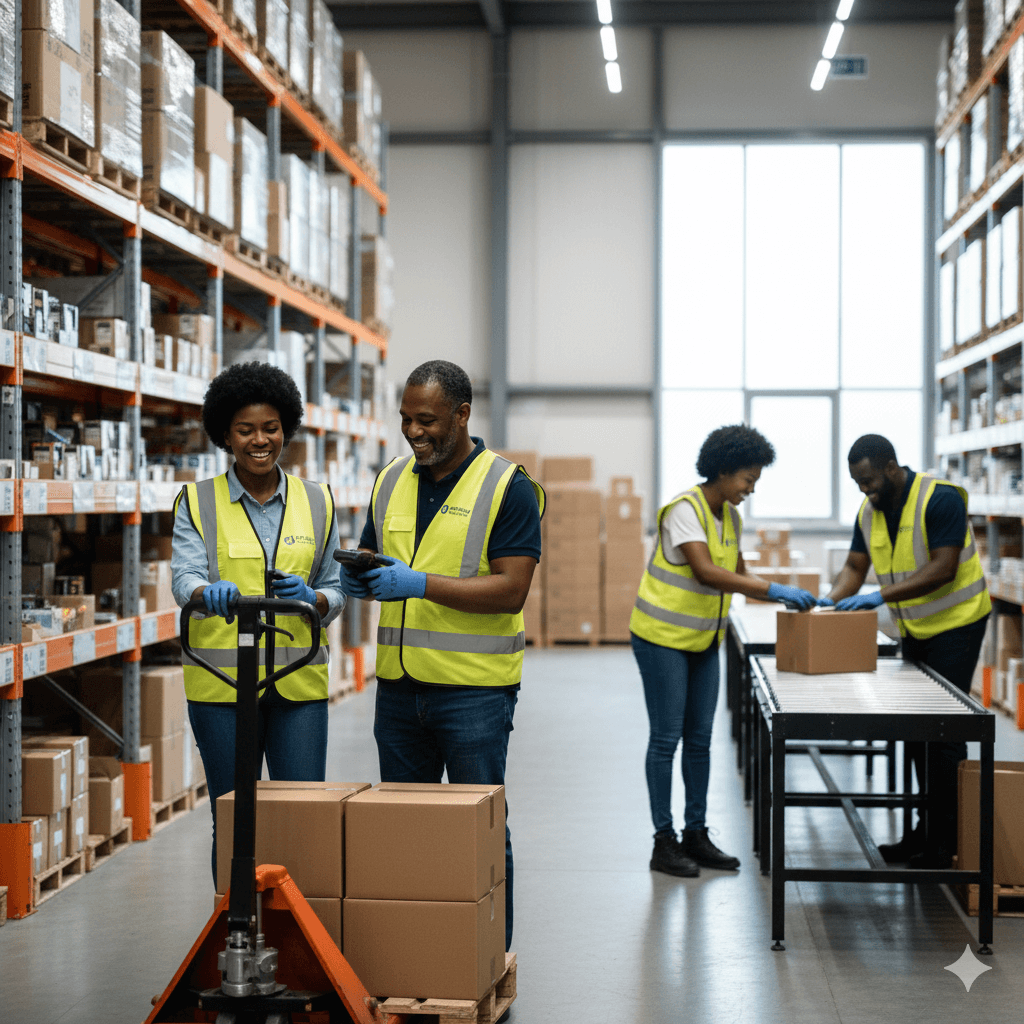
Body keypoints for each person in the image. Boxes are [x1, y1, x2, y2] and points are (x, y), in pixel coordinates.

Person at [339, 359, 544, 953]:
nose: (413, 431)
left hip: (474, 692)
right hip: (399, 690)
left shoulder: (507, 486)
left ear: (462, 414)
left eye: (426, 420)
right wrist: (358, 579)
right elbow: (378, 555)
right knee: (407, 831)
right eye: (405, 418)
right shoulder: (390, 479)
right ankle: (421, 956)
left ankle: (488, 959)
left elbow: (512, 589)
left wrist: (418, 584)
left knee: (480, 830)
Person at [171, 361, 345, 882]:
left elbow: (337, 587)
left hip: (298, 684)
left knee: (300, 816)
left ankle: (294, 926)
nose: (260, 440)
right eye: (245, 429)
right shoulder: (197, 500)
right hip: (222, 686)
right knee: (232, 820)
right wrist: (204, 593)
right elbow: (183, 576)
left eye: (270, 428)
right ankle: (235, 924)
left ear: (286, 429)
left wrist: (314, 599)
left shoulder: (318, 500)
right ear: (225, 434)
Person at [630, 424, 819, 878]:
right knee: (666, 738)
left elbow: (739, 574)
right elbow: (706, 572)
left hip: (702, 639)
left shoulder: (730, 518)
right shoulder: (684, 510)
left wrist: (786, 596)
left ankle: (696, 833)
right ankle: (663, 841)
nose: (751, 489)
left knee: (700, 739)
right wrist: (774, 590)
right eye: (748, 479)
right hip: (661, 638)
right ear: (723, 470)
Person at [822, 434, 991, 869]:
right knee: (916, 731)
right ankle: (923, 829)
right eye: (857, 483)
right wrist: (829, 603)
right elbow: (854, 566)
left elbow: (944, 567)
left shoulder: (941, 499)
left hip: (957, 623)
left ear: (892, 467)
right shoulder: (869, 512)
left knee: (944, 731)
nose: (865, 490)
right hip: (914, 628)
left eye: (870, 481)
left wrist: (879, 596)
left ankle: (946, 840)